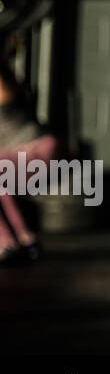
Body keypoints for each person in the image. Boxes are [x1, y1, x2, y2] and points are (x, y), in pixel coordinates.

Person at [0, 33, 60, 266]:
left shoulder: (4, 87)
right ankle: (25, 239)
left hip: (37, 151)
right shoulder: (8, 79)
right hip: (38, 151)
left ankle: (6, 244)